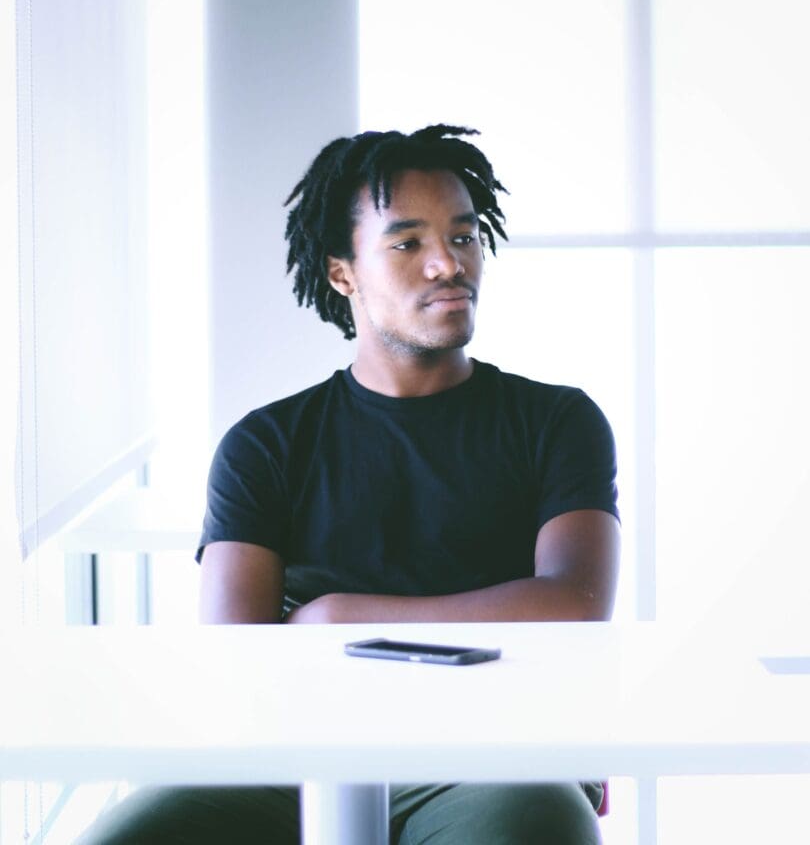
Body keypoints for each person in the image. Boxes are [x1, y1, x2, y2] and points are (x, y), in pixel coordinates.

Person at [80, 125, 620, 844]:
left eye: (463, 237)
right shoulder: (265, 445)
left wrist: (340, 619)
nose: (447, 265)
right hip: (288, 753)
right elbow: (235, 659)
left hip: (494, 750)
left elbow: (574, 607)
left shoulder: (556, 420)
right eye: (408, 243)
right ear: (343, 274)